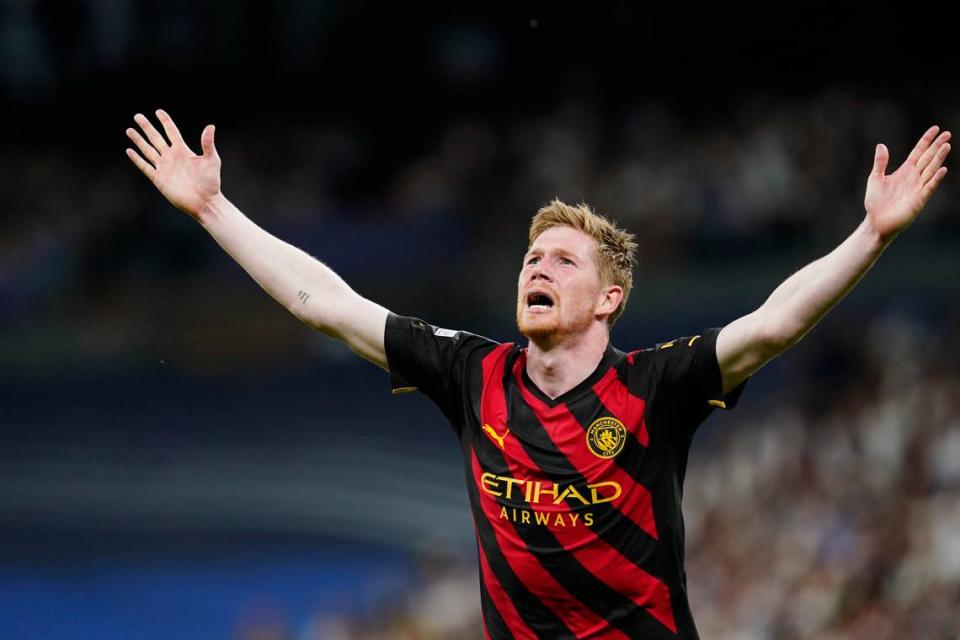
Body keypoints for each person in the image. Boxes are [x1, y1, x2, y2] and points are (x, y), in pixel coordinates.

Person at [125, 110, 950, 639]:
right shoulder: (469, 372)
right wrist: (212, 210)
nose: (537, 267)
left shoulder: (655, 386)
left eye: (561, 259)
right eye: (530, 257)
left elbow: (774, 323)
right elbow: (324, 303)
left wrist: (871, 235)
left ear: (609, 298)